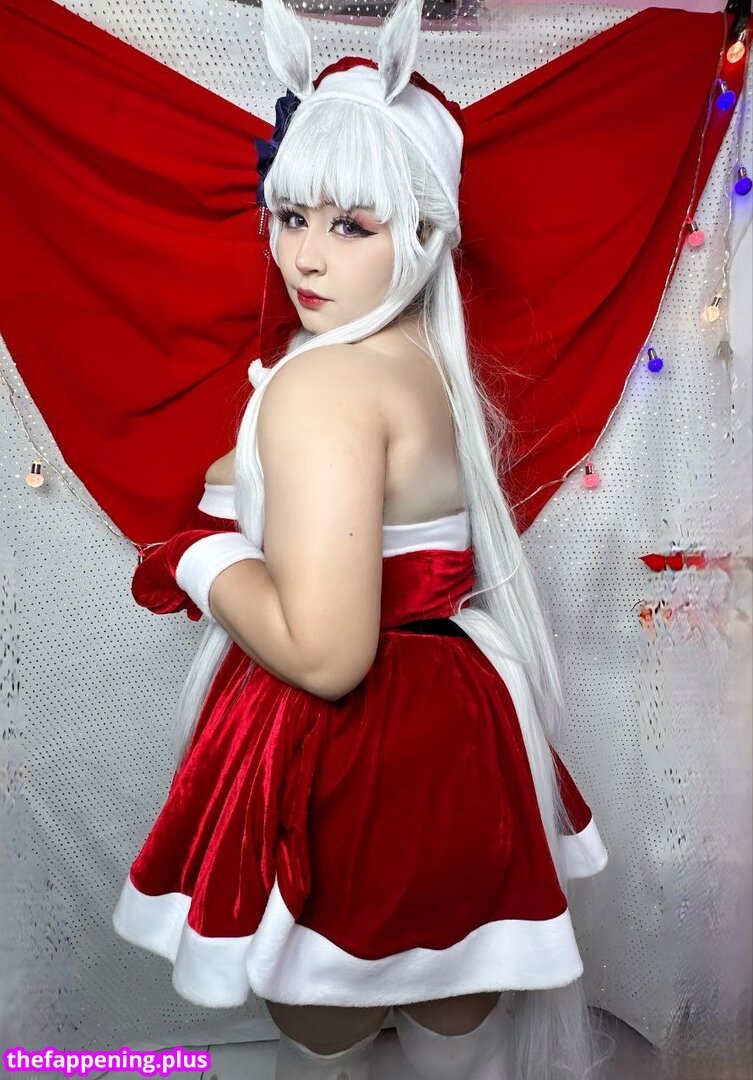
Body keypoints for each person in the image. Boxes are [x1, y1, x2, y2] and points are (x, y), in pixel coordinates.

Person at [114, 0, 611, 1076]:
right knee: (455, 1031)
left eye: (351, 226)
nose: (305, 256)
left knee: (329, 1036)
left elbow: (328, 655)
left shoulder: (328, 382)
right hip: (461, 725)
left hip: (352, 755)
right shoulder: (419, 363)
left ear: (424, 234)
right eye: (291, 215)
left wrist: (194, 553)